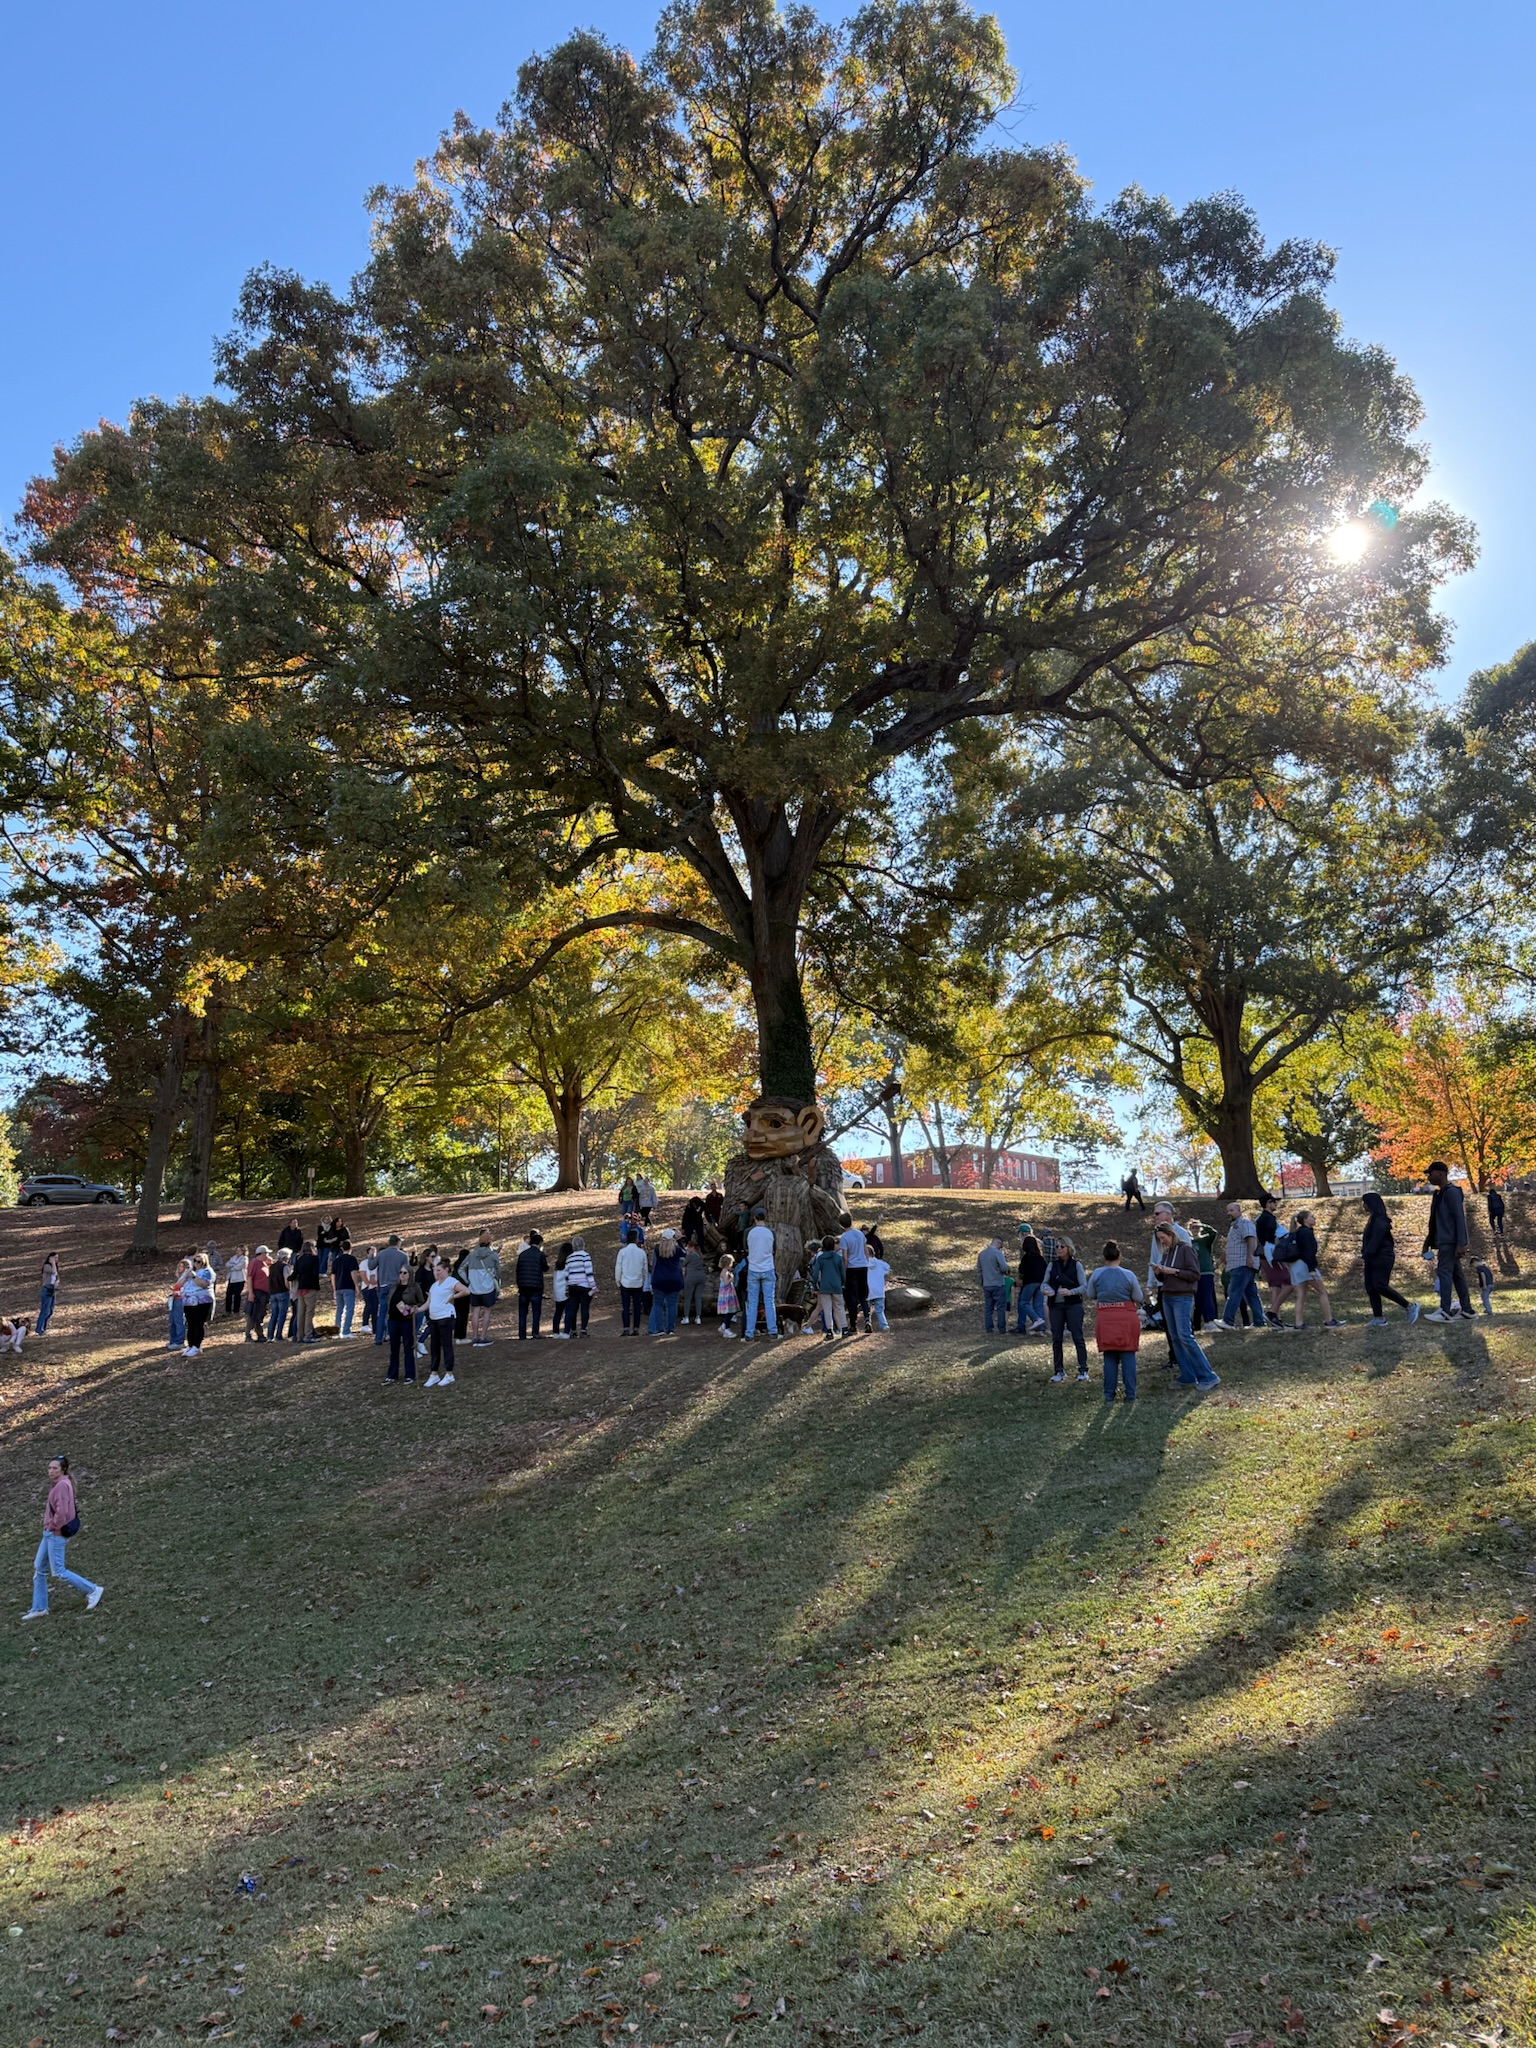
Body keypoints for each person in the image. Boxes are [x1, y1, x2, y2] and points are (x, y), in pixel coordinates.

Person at [22, 1456, 102, 1621]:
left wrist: (52, 1527)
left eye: (55, 1468)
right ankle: (39, 1607)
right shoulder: (62, 1484)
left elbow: (62, 1513)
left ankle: (93, 1590)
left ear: (63, 1470)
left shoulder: (61, 1486)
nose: (51, 1471)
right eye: (49, 1468)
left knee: (59, 1571)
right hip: (49, 1533)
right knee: (39, 1568)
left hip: (55, 1534)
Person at [1151, 1222, 1219, 1388]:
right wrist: (1159, 1274)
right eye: (1159, 1240)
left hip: (1182, 1297)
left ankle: (1208, 1375)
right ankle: (1187, 1375)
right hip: (1167, 1296)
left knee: (1184, 1335)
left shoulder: (1186, 1249)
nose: (1162, 1242)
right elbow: (1167, 1277)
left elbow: (1195, 1274)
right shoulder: (1167, 1253)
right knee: (1174, 1337)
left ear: (1171, 1234)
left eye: (1163, 1238)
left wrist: (1173, 1271)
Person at [1086, 1240, 1144, 1404]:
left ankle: (1109, 1396)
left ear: (1104, 1257)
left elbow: (1090, 1294)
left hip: (1105, 1317)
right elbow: (1138, 1297)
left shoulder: (1097, 1274)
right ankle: (1130, 1395)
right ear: (1119, 1256)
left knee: (1109, 1356)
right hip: (1126, 1317)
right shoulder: (1128, 1274)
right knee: (1128, 1355)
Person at [1422, 1162, 1473, 1322]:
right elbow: (1435, 1222)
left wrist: (1461, 1243)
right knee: (1457, 1275)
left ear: (1441, 1173)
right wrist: (1428, 1242)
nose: (1428, 1177)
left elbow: (1459, 1218)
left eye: (1431, 1173)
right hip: (1444, 1240)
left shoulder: (1451, 1193)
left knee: (1444, 1273)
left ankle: (1445, 1311)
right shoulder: (1440, 1194)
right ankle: (1467, 1309)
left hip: (1450, 1242)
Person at [1360, 1193, 1419, 1325]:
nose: (1363, 1206)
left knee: (1379, 1285)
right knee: (1370, 1287)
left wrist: (1368, 1252)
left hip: (1382, 1257)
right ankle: (1378, 1318)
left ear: (1371, 1204)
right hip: (1371, 1257)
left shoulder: (1380, 1221)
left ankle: (1409, 1306)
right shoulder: (1373, 1219)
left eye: (1364, 1203)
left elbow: (1376, 1241)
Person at [1287, 1211, 1343, 1329]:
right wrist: (1311, 1269)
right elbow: (1309, 1252)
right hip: (1305, 1267)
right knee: (1322, 1292)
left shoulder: (1298, 1232)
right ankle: (1329, 1320)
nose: (1314, 1218)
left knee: (1301, 1295)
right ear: (1306, 1220)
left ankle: (1299, 1323)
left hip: (1296, 1266)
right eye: (1311, 1217)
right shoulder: (1306, 1233)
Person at [1214, 1202, 1264, 1332]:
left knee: (1234, 1291)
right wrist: (1220, 1261)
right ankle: (1259, 1321)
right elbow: (1231, 1248)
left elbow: (1251, 1239)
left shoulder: (1244, 1223)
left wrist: (1250, 1257)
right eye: (1228, 1210)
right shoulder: (1234, 1227)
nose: (1229, 1213)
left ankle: (1228, 1320)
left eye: (1231, 1210)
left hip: (1243, 1263)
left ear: (1239, 1210)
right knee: (1251, 1293)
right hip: (1237, 1264)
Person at [1044, 1237, 1088, 1383]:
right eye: (1057, 1247)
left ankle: (1083, 1369)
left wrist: (1071, 1292)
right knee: (1056, 1338)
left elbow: (1084, 1286)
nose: (1059, 1249)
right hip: (1055, 1306)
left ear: (1069, 1248)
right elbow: (1043, 1283)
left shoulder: (1076, 1265)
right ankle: (1059, 1370)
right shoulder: (1052, 1265)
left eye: (1062, 1246)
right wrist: (1047, 1289)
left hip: (1073, 1304)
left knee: (1077, 1336)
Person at [424, 1256, 470, 1385]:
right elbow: (428, 1303)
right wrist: (417, 1309)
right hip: (434, 1318)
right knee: (434, 1346)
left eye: (439, 1270)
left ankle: (449, 1373)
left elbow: (465, 1291)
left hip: (445, 1317)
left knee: (446, 1345)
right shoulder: (434, 1286)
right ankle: (434, 1373)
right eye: (435, 1270)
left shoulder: (451, 1281)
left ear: (446, 1269)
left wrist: (453, 1297)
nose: (437, 1273)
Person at [743, 1209, 778, 1338]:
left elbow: (746, 1249)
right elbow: (774, 1250)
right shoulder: (771, 1233)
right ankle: (772, 1331)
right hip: (768, 1268)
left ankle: (749, 1333)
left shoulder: (748, 1232)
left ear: (754, 1218)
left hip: (753, 1268)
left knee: (752, 1302)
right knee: (769, 1302)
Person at [465, 1231, 500, 1346]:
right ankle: (483, 1336)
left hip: (474, 1287)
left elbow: (461, 1269)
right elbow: (498, 1272)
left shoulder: (471, 1256)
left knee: (475, 1311)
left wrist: (467, 1280)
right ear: (489, 1242)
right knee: (487, 1311)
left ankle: (475, 1336)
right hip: (488, 1287)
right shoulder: (493, 1256)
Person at [384, 1266, 418, 1384]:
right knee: (394, 1348)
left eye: (405, 1273)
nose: (402, 1275)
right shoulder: (394, 1286)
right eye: (400, 1272)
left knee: (408, 1347)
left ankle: (410, 1374)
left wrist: (413, 1308)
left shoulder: (414, 1287)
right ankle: (392, 1375)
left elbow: (421, 1302)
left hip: (406, 1320)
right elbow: (390, 1301)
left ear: (409, 1274)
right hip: (393, 1320)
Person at [373, 1235, 409, 1348]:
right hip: (396, 1287)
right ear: (398, 1243)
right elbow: (407, 1271)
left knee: (382, 1312)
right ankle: (401, 1335)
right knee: (401, 1310)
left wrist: (370, 1257)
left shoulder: (381, 1254)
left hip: (383, 1286)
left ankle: (378, 1337)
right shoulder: (403, 1255)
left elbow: (371, 1266)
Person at [811, 1234, 848, 1339]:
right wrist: (843, 1282)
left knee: (827, 1309)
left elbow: (815, 1273)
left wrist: (815, 1285)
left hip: (824, 1286)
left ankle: (829, 1331)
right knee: (840, 1307)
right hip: (837, 1285)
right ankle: (844, 1329)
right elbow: (842, 1272)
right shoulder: (838, 1258)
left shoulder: (821, 1258)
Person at [648, 1231, 685, 1335]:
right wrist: (679, 1240)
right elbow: (685, 1253)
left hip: (659, 1280)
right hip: (674, 1280)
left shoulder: (657, 1249)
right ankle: (671, 1329)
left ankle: (659, 1329)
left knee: (658, 1304)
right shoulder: (676, 1250)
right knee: (672, 1305)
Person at [515, 1233, 549, 1339]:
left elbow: (518, 1270)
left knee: (523, 1311)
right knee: (536, 1310)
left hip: (523, 1286)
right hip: (536, 1286)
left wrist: (519, 1284)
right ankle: (535, 1332)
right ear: (540, 1243)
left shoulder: (523, 1254)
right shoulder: (540, 1254)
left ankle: (522, 1334)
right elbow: (545, 1268)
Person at [838, 1220, 870, 1332]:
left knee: (852, 1297)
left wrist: (845, 1270)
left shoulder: (844, 1238)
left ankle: (853, 1324)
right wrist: (867, 1261)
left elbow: (845, 1257)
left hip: (852, 1268)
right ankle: (867, 1318)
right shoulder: (860, 1234)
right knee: (863, 1295)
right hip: (863, 1266)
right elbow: (865, 1249)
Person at [180, 1255, 215, 1357]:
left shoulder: (207, 1272)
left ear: (204, 1262)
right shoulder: (189, 1272)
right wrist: (186, 1276)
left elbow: (204, 1284)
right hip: (188, 1301)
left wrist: (194, 1276)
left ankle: (197, 1346)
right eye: (195, 1261)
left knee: (198, 1323)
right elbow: (179, 1283)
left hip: (202, 1301)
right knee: (190, 1324)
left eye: (199, 1261)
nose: (196, 1263)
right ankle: (190, 1345)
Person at [1014, 1228, 1048, 1334]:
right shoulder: (1040, 1258)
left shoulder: (1026, 1258)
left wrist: (1019, 1280)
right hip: (1040, 1283)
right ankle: (1041, 1328)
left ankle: (1036, 1319)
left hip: (1030, 1283)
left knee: (1024, 1302)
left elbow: (1022, 1271)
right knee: (1038, 1304)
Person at [291, 1239, 323, 1344]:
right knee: (309, 1313)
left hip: (300, 1288)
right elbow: (315, 1274)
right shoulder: (314, 1259)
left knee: (300, 1313)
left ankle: (299, 1335)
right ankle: (308, 1335)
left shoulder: (299, 1259)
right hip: (310, 1288)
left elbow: (294, 1274)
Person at [1189, 1219, 1219, 1328]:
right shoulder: (1188, 1242)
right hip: (1194, 1273)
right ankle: (1197, 1324)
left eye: (1197, 1227)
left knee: (1207, 1297)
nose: (1195, 1229)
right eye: (1193, 1227)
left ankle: (1210, 1320)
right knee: (1198, 1299)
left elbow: (1213, 1233)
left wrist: (1202, 1224)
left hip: (1206, 1272)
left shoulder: (1205, 1240)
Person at [978, 1236, 1010, 1335]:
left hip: (987, 1284)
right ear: (999, 1243)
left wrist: (982, 1282)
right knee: (1000, 1307)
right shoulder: (997, 1253)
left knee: (988, 1308)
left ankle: (989, 1329)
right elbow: (1004, 1267)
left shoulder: (982, 1254)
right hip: (998, 1283)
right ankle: (1001, 1328)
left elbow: (979, 1271)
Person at [565, 1236, 595, 1336]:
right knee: (584, 1308)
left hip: (572, 1286)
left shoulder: (569, 1258)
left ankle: (573, 1330)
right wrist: (593, 1286)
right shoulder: (585, 1256)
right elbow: (588, 1272)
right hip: (584, 1286)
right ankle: (583, 1330)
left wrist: (567, 1287)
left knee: (573, 1309)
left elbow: (566, 1274)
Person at [331, 1239, 361, 1337]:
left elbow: (333, 1276)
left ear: (341, 1248)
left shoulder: (336, 1261)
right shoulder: (352, 1259)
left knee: (339, 1309)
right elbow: (353, 1272)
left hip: (339, 1287)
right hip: (348, 1287)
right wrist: (356, 1285)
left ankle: (337, 1330)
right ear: (350, 1248)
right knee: (349, 1309)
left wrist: (334, 1289)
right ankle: (346, 1331)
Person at [246, 1245, 272, 1342]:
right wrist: (251, 1292)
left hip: (264, 1293)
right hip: (257, 1292)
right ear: (262, 1253)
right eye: (267, 1253)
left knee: (260, 1314)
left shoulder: (264, 1263)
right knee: (253, 1314)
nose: (268, 1255)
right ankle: (248, 1334)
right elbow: (249, 1278)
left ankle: (260, 1334)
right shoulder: (254, 1263)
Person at [265, 1251, 292, 1343]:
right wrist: (289, 1289)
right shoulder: (285, 1266)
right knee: (282, 1314)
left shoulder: (272, 1267)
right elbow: (286, 1279)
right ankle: (278, 1335)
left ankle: (269, 1335)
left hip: (273, 1292)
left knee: (274, 1314)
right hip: (282, 1292)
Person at [681, 1241, 710, 1324]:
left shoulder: (690, 1256)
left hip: (691, 1277)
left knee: (688, 1298)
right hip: (701, 1277)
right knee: (698, 1297)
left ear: (692, 1247)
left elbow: (683, 1264)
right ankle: (698, 1317)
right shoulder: (700, 1256)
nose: (687, 1248)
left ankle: (686, 1317)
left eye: (688, 1247)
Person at [865, 1247, 891, 1332]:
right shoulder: (881, 1264)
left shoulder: (862, 1265)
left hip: (867, 1290)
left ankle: (868, 1322)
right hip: (879, 1290)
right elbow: (888, 1269)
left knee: (867, 1309)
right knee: (880, 1310)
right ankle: (884, 1325)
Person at [550, 1243, 572, 1338]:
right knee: (568, 1312)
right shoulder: (569, 1264)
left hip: (557, 1292)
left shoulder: (557, 1265)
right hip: (565, 1291)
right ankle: (567, 1331)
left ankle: (555, 1332)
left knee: (558, 1312)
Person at [715, 1252, 739, 1337]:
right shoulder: (724, 1272)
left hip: (729, 1293)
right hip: (726, 1294)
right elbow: (725, 1283)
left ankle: (724, 1326)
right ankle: (727, 1329)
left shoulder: (726, 1271)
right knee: (729, 1311)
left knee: (733, 1311)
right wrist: (731, 1278)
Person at [167, 1261, 189, 1351]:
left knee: (179, 1320)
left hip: (181, 1300)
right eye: (179, 1266)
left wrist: (179, 1292)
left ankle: (180, 1341)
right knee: (173, 1320)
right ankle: (173, 1340)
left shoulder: (187, 1278)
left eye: (182, 1266)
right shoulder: (179, 1278)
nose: (180, 1268)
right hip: (175, 1300)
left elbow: (187, 1290)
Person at [37, 1252, 60, 1336]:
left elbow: (56, 1277)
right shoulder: (47, 1266)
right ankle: (40, 1329)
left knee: (50, 1311)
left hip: (52, 1289)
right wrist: (53, 1263)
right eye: (55, 1258)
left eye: (57, 1258)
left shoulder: (55, 1267)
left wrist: (57, 1283)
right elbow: (53, 1272)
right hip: (47, 1289)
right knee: (45, 1310)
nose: (56, 1260)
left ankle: (44, 1327)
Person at [358, 1246, 379, 1335]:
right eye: (371, 1252)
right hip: (367, 1288)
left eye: (374, 1252)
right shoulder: (364, 1263)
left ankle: (375, 1328)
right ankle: (365, 1324)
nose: (373, 1253)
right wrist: (368, 1284)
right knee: (369, 1306)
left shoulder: (377, 1263)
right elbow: (363, 1275)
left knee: (375, 1308)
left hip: (375, 1288)